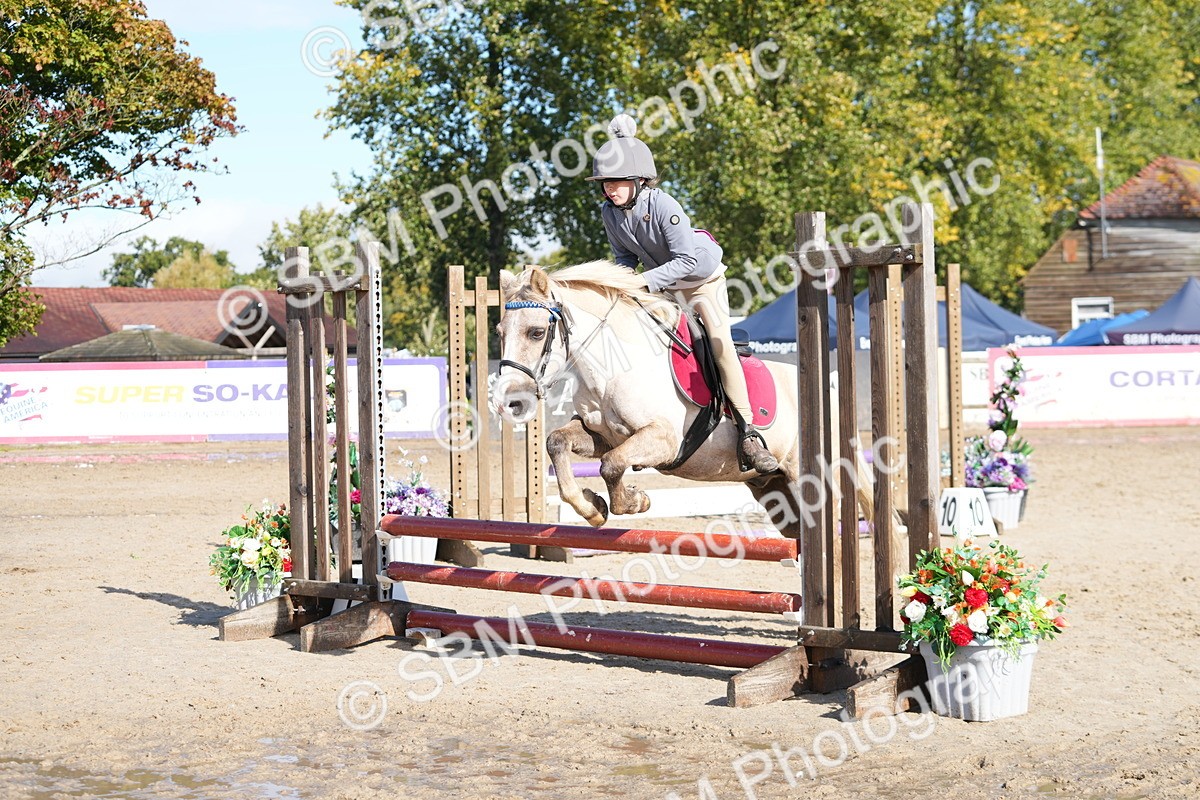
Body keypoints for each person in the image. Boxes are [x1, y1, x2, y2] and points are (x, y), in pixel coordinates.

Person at [585, 114, 779, 474]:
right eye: (605, 183)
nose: (609, 188)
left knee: (718, 343)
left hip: (701, 280)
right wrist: (620, 287)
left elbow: (687, 259)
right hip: (666, 285)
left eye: (617, 181)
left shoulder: (664, 205)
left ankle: (749, 432)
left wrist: (643, 283)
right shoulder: (609, 213)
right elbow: (625, 259)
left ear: (639, 180)